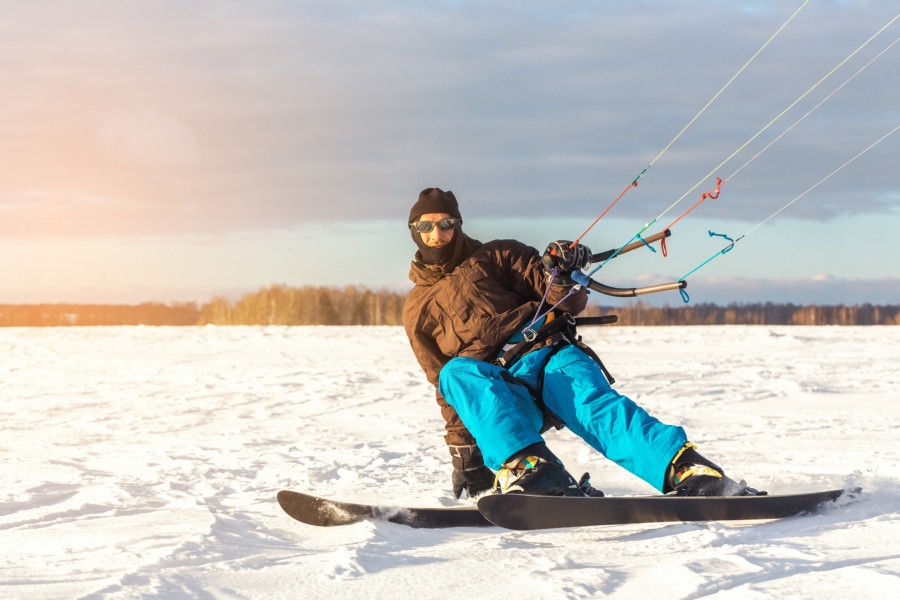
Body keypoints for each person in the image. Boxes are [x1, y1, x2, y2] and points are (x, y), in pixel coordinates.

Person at [402, 187, 762, 499]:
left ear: (458, 226)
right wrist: (465, 455)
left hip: (550, 356)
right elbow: (443, 387)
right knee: (455, 372)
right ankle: (533, 470)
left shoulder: (498, 255)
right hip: (503, 393)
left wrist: (560, 271)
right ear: (415, 231)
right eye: (427, 226)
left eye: (446, 224)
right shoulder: (416, 309)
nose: (437, 234)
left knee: (600, 411)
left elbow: (565, 298)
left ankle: (689, 472)